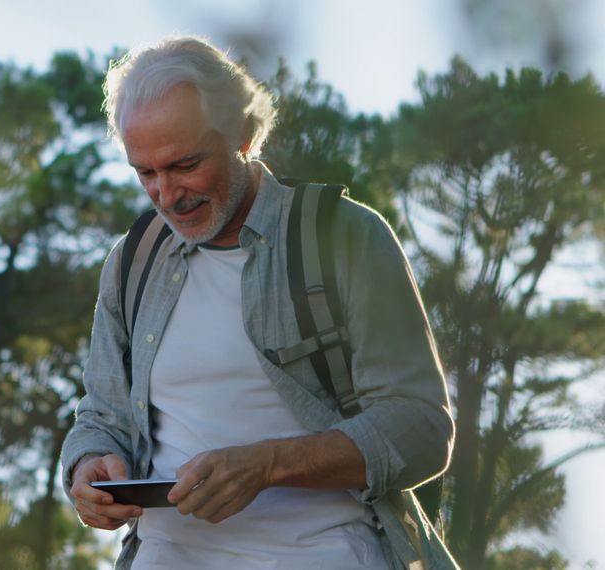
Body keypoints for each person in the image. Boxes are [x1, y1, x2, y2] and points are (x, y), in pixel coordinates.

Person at [59, 36, 458, 569]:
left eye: (185, 165)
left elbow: (421, 428)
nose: (167, 195)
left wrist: (269, 464)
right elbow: (102, 415)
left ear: (242, 135)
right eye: (146, 173)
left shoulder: (345, 237)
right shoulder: (132, 262)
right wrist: (86, 468)